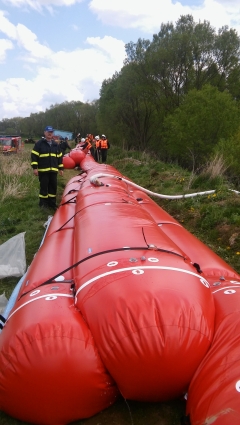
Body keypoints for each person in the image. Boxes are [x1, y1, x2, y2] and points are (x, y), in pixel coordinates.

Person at [31, 125, 64, 210]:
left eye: (51, 132)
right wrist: (35, 168)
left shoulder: (55, 145)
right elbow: (34, 156)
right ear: (44, 133)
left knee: (53, 187)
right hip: (43, 171)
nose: (50, 133)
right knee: (44, 187)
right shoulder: (39, 144)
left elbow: (59, 157)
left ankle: (52, 204)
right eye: (48, 132)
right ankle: (43, 204)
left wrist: (61, 169)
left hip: (53, 171)